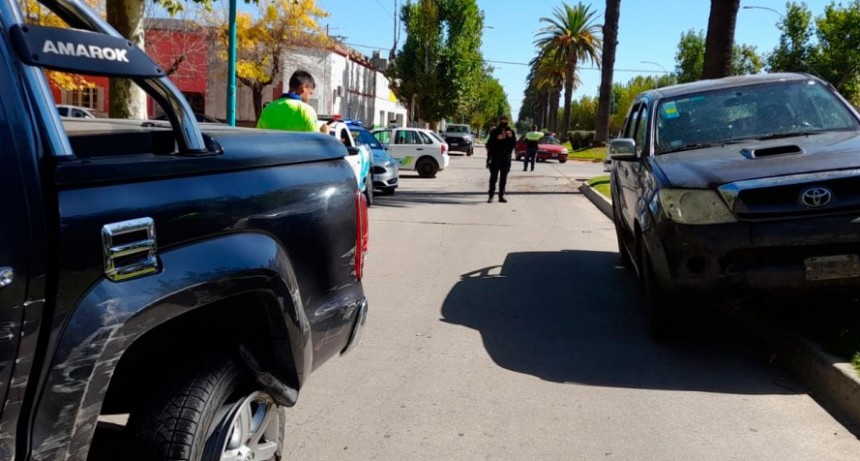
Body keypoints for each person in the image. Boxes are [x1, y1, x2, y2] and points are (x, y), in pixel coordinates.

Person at [257, 70, 327, 133]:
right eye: (310, 93)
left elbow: (258, 137)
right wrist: (325, 134)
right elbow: (314, 144)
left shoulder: (268, 109)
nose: (310, 97)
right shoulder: (307, 111)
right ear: (303, 88)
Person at [485, 115, 517, 203]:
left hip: (506, 157)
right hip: (496, 156)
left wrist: (511, 138)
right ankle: (491, 196)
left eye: (506, 120)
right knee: (493, 177)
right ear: (499, 121)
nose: (504, 122)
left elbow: (514, 145)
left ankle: (501, 195)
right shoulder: (495, 132)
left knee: (504, 177)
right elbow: (489, 144)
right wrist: (497, 138)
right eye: (502, 120)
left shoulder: (511, 132)